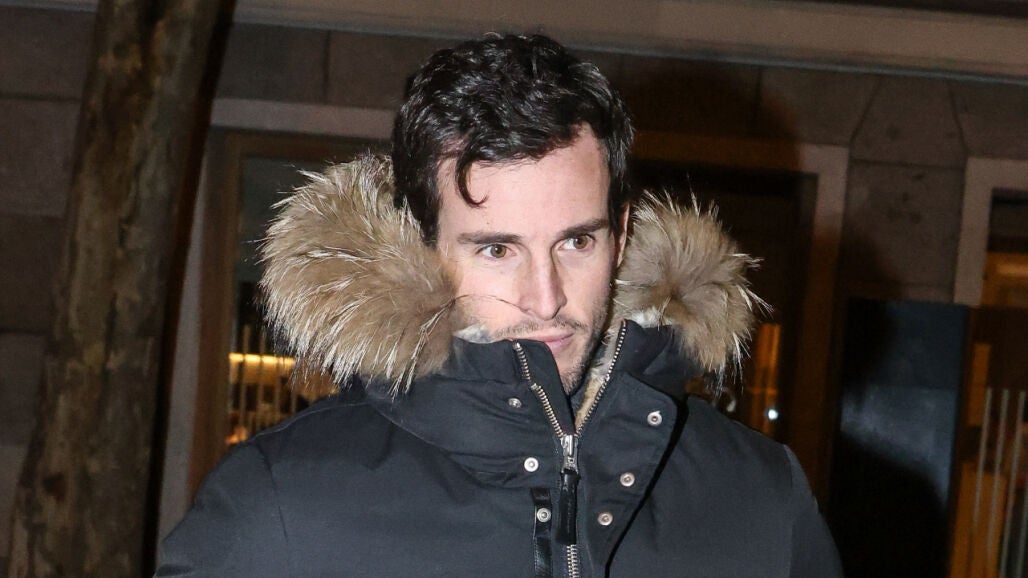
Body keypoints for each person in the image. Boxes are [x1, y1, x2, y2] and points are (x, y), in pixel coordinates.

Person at [157, 34, 842, 576]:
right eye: (496, 249)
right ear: (423, 248)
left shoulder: (761, 497)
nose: (546, 298)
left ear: (621, 233)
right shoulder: (278, 506)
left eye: (576, 242)